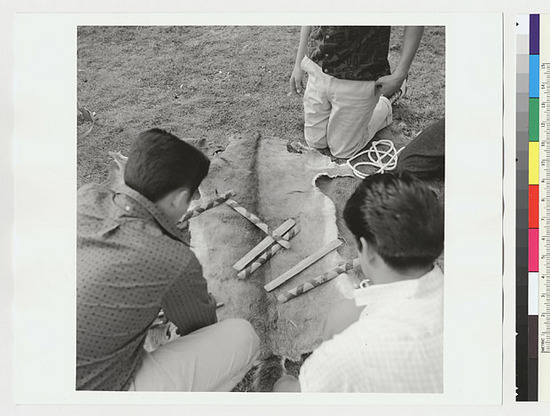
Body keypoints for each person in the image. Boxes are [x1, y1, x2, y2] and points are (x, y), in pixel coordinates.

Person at [77, 128, 260, 391]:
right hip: (94, 392)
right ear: (179, 199)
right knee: (242, 336)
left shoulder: (86, 196)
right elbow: (198, 327)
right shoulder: (170, 256)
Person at [273, 171, 444, 392]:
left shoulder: (345, 357)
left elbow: (292, 401)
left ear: (368, 249)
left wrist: (281, 382)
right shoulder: (485, 302)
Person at [289, 26, 424, 159]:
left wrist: (400, 74)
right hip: (317, 67)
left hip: (359, 75)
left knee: (342, 151)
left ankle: (386, 101)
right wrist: (298, 64)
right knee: (315, 142)